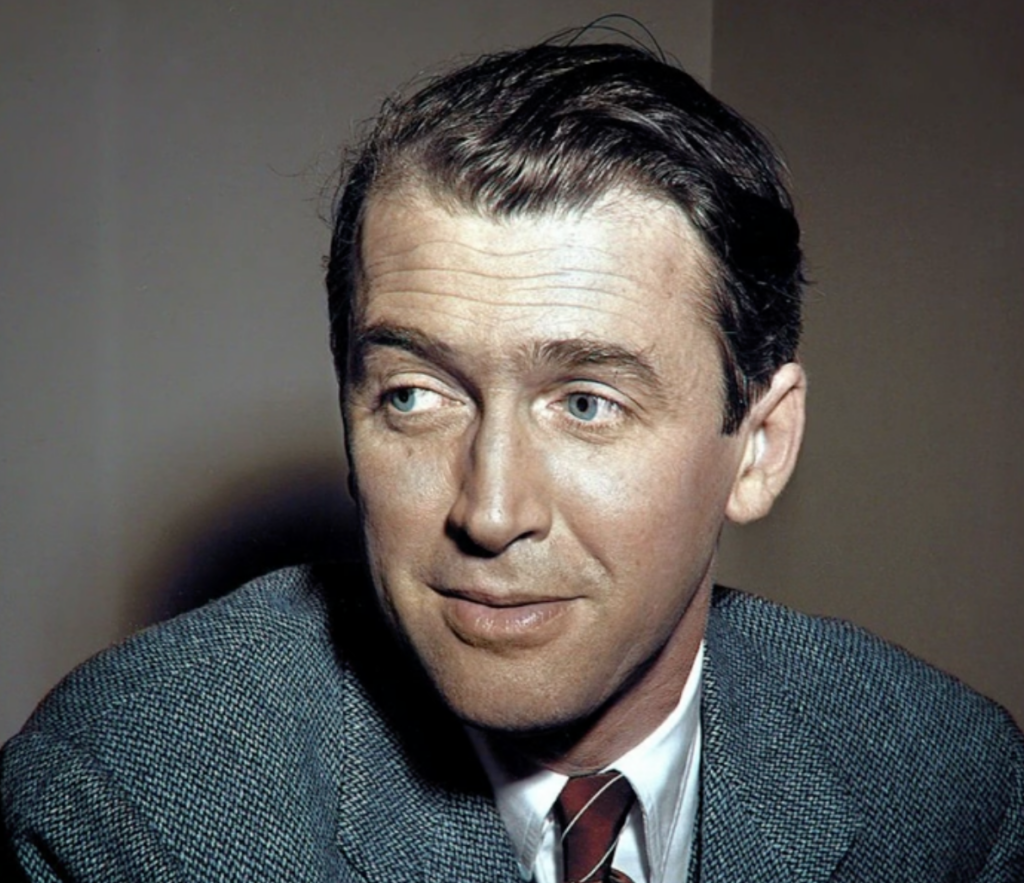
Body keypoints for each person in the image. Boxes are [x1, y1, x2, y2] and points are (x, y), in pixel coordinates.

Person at [3, 39, 1022, 882]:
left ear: (758, 446)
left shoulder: (948, 781)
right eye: (413, 396)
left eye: (586, 403)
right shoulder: (118, 804)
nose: (488, 511)